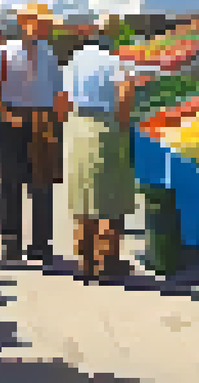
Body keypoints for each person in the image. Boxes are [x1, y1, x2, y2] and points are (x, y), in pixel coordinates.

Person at [0, 3, 68, 265]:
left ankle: (41, 244)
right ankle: (11, 241)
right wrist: (4, 113)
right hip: (12, 117)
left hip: (43, 119)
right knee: (10, 181)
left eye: (44, 23)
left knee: (42, 183)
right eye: (37, 22)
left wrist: (58, 121)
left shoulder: (49, 54)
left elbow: (58, 92)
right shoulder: (4, 52)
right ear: (23, 22)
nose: (42, 27)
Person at [61, 17, 140, 281]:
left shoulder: (76, 59)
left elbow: (63, 98)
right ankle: (107, 262)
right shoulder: (117, 61)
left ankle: (85, 260)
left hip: (77, 127)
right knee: (110, 199)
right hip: (106, 128)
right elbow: (125, 95)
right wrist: (122, 123)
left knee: (83, 197)